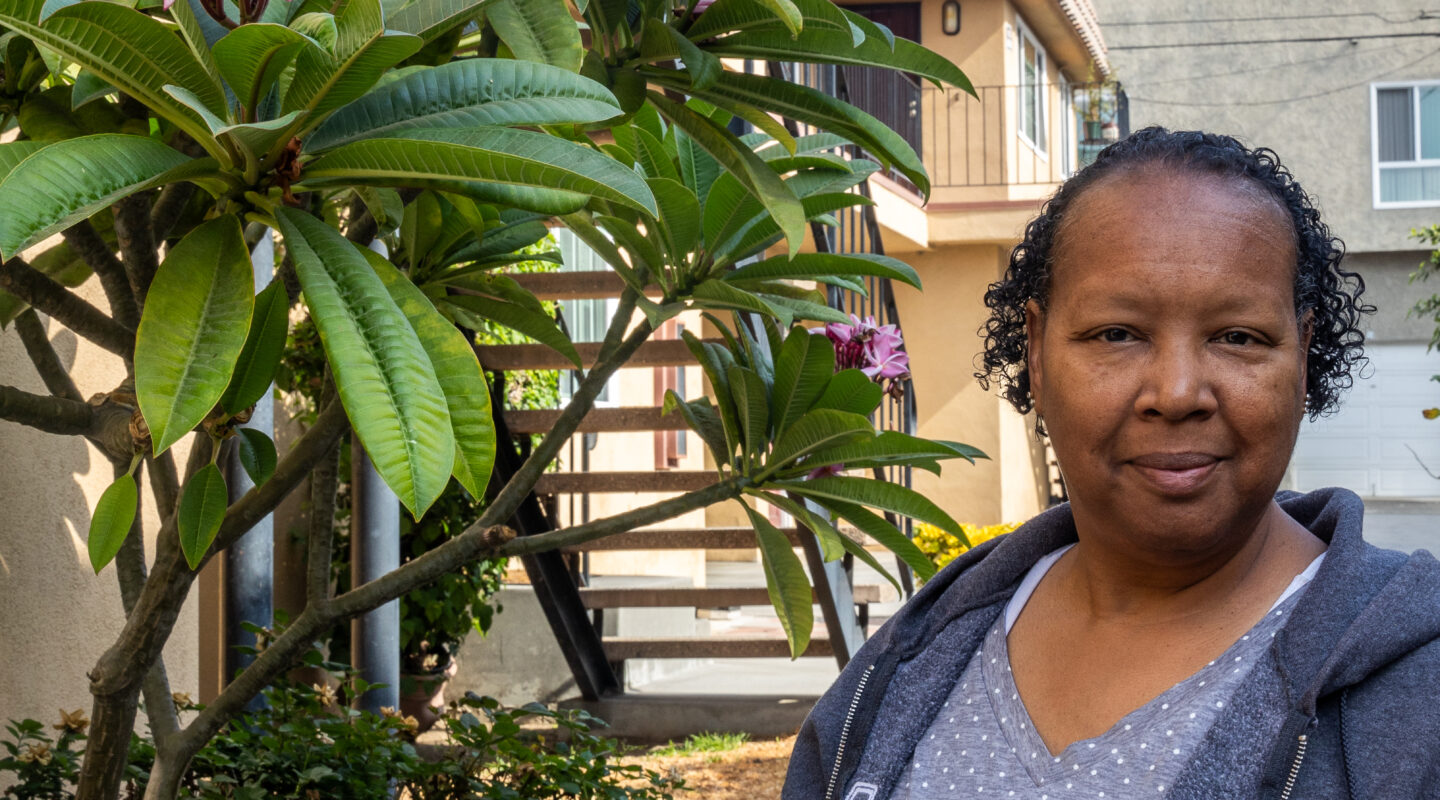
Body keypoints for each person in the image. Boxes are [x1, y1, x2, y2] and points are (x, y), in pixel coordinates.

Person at [782, 128, 1440, 800]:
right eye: (1116, 334)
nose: (1177, 393)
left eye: (1238, 337)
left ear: (1301, 355)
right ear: (1036, 353)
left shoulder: (1421, 687)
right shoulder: (914, 655)